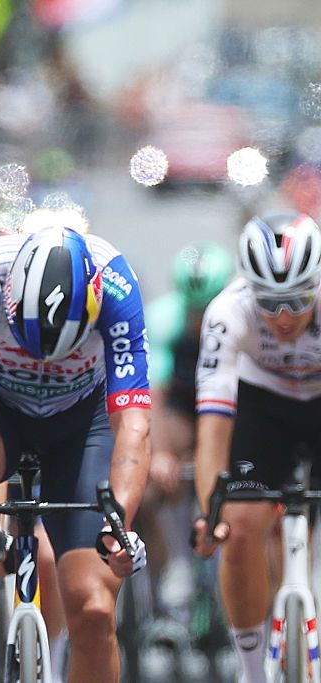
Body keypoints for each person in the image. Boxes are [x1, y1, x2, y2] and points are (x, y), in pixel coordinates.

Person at [0, 212, 151, 683]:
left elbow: (132, 423)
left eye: (61, 347)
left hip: (80, 422)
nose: (44, 360)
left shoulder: (117, 287)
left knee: (92, 610)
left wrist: (121, 522)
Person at [192, 211, 321, 683]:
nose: (283, 318)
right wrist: (211, 513)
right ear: (250, 290)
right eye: (269, 302)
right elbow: (213, 427)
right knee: (239, 524)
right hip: (264, 403)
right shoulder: (228, 312)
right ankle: (251, 671)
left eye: (298, 300)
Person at [140, 241, 232, 616]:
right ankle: (167, 570)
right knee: (147, 491)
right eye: (193, 311)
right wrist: (160, 453)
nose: (199, 320)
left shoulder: (237, 317)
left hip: (227, 410)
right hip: (180, 411)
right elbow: (153, 397)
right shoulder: (162, 320)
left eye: (207, 309)